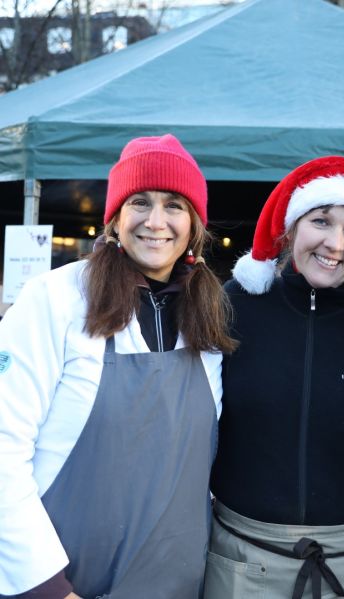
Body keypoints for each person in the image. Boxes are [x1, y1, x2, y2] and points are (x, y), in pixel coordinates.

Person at [0, 134, 236, 598]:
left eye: (174, 205)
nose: (156, 221)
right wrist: (47, 588)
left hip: (178, 585)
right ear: (114, 219)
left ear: (194, 224)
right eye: (140, 202)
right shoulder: (56, 298)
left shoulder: (209, 316)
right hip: (63, 585)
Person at [206, 156, 344, 599]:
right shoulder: (234, 306)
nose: (335, 244)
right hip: (244, 557)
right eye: (321, 221)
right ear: (292, 228)